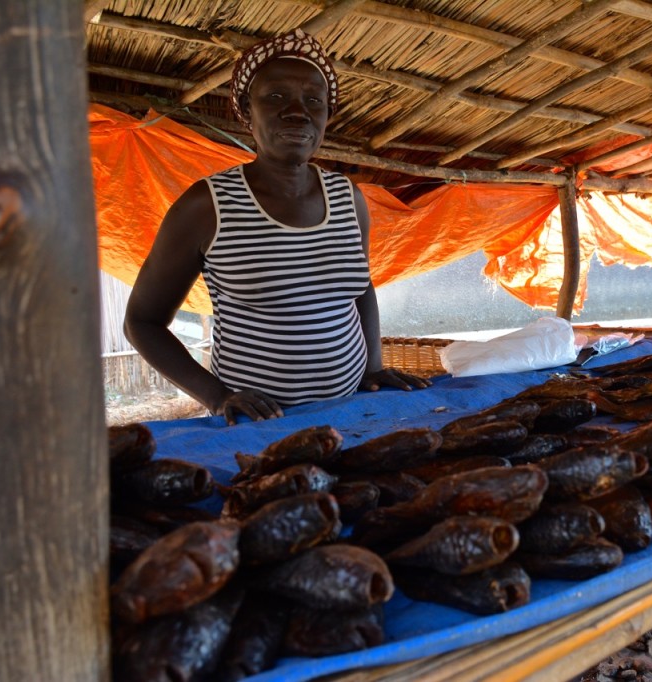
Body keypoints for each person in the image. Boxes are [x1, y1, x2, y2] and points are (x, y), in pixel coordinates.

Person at [124, 30, 431, 425]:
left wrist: (373, 368)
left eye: (313, 101)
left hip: (352, 411)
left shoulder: (347, 196)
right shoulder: (206, 206)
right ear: (246, 113)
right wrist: (217, 397)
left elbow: (360, 287)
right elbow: (142, 322)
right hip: (262, 427)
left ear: (325, 117)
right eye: (275, 97)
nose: (297, 112)